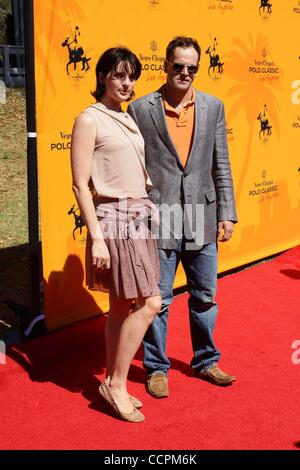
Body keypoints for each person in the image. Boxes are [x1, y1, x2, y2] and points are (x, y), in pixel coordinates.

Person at [127, 36, 237, 398]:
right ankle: (156, 368)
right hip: (161, 217)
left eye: (192, 67)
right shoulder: (141, 109)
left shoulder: (213, 106)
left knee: (205, 295)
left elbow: (221, 163)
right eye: (179, 66)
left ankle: (206, 359)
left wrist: (228, 214)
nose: (185, 73)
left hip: (202, 215)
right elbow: (132, 166)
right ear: (166, 66)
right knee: (156, 302)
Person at [71, 47, 161, 421]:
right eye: (119, 75)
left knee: (122, 308)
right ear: (102, 77)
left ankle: (111, 379)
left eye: (131, 76)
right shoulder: (89, 120)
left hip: (138, 216)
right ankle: (117, 383)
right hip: (114, 221)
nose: (127, 83)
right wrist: (98, 238)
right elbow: (79, 186)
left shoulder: (125, 117)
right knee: (151, 303)